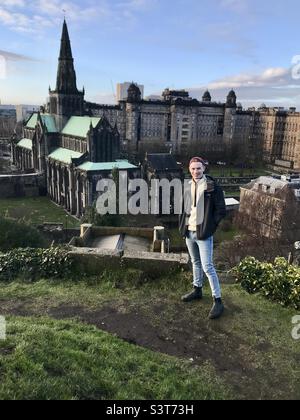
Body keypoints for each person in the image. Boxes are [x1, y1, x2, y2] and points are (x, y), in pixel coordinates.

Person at [179, 157, 226, 319]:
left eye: (198, 168)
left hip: (203, 233)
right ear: (189, 169)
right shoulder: (187, 185)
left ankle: (218, 300)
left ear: (204, 168)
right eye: (193, 169)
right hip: (189, 232)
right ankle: (197, 289)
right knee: (195, 263)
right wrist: (183, 227)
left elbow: (221, 210)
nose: (196, 171)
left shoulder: (212, 187)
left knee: (208, 266)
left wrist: (210, 227)